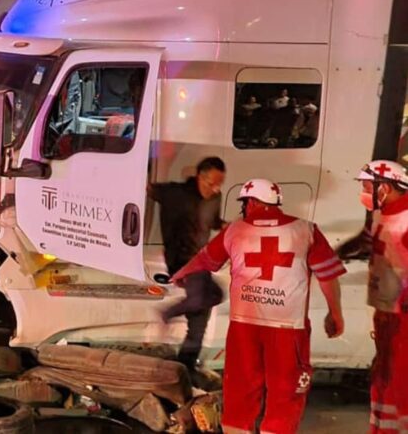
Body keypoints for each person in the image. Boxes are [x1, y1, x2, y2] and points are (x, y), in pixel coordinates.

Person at [173, 178, 345, 434]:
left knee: (240, 392)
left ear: (251, 202)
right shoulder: (306, 231)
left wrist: (181, 274)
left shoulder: (234, 231)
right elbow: (328, 275)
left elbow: (204, 260)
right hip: (288, 330)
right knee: (285, 395)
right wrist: (335, 313)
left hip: (244, 327)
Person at [149, 157, 226, 373]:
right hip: (180, 260)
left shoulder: (215, 198)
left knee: (206, 309)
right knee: (201, 299)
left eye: (219, 184)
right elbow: (146, 188)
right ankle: (168, 312)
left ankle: (185, 366)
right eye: (211, 183)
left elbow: (212, 221)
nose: (215, 189)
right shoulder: (174, 193)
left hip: (201, 260)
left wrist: (224, 225)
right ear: (199, 177)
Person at [354, 160, 408, 433]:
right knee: (383, 375)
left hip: (404, 316)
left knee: (400, 380)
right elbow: (366, 241)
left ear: (384, 187)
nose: (363, 192)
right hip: (386, 311)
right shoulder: (382, 213)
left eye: (366, 186)